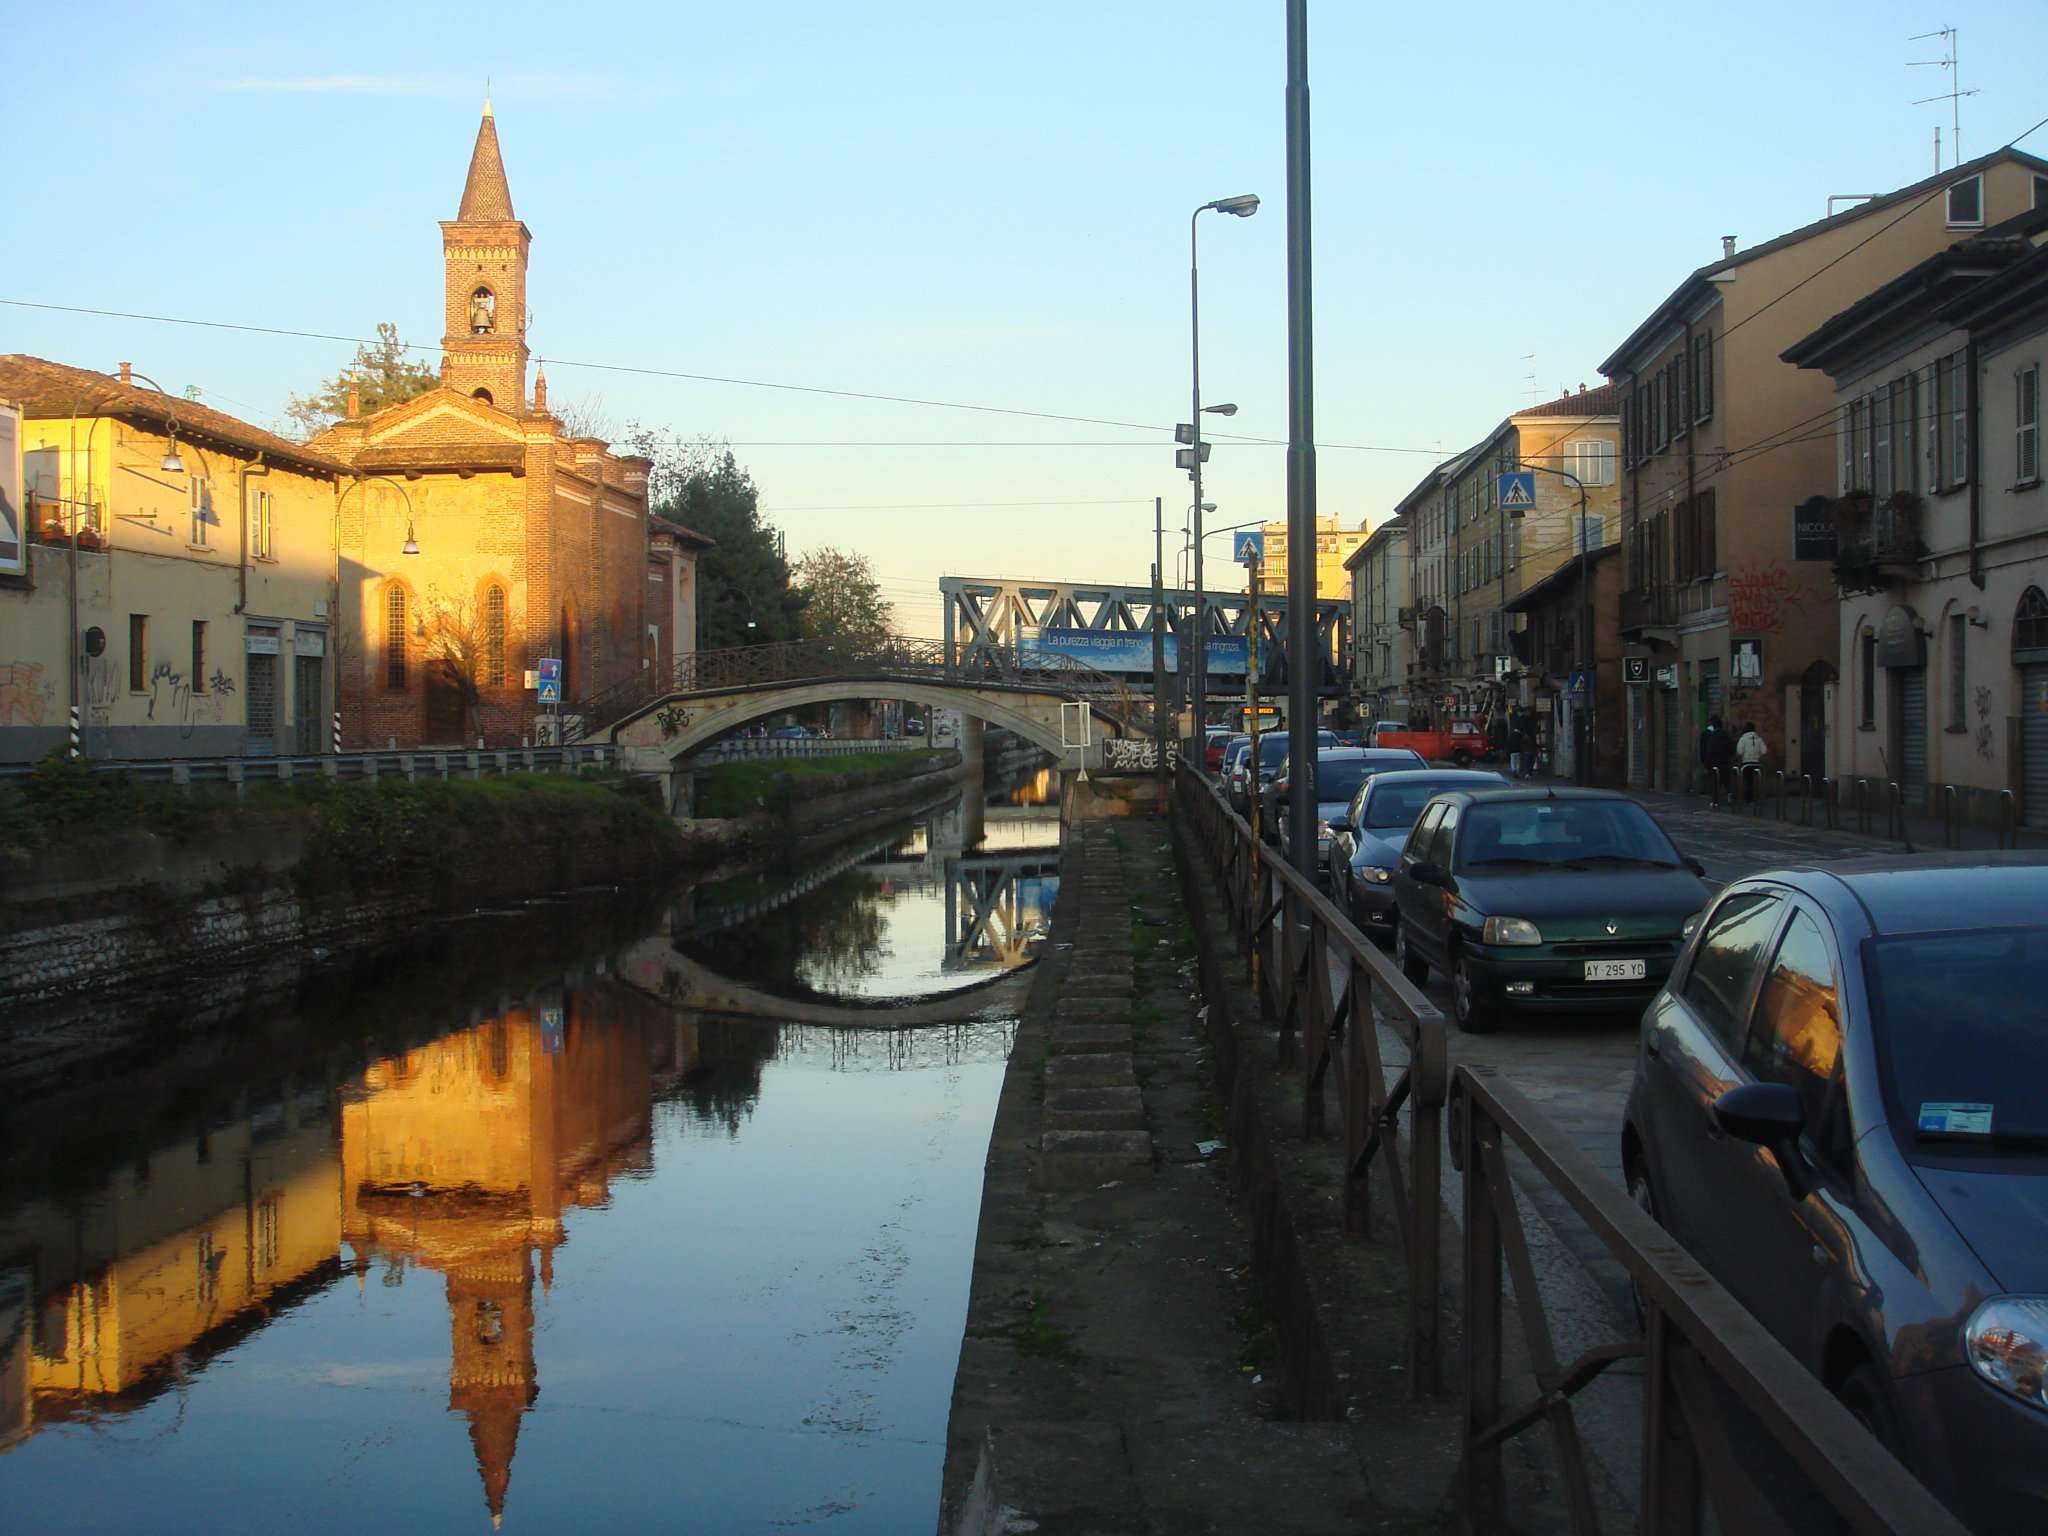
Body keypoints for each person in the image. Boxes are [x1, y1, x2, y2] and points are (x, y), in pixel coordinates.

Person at [1699, 715, 1735, 805]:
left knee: (1715, 784)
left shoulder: (1712, 737)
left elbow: (1709, 752)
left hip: (1715, 764)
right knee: (1727, 782)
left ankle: (1715, 801)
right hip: (1726, 763)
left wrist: (1706, 766)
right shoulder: (1726, 735)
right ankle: (1730, 796)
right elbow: (1732, 749)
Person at [1736, 720, 1768, 803]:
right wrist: (1758, 754)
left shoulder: (1743, 739)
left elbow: (1739, 751)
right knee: (1755, 781)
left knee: (1747, 781)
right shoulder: (1759, 739)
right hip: (1757, 764)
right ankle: (1756, 797)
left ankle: (1747, 798)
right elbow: (1764, 751)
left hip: (1746, 764)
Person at [1519, 715, 1540, 780]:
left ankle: (1527, 773)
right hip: (1531, 751)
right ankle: (1529, 773)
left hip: (1527, 751)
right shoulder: (1532, 737)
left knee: (1527, 763)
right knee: (1531, 763)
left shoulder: (1524, 738)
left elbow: (1522, 744)